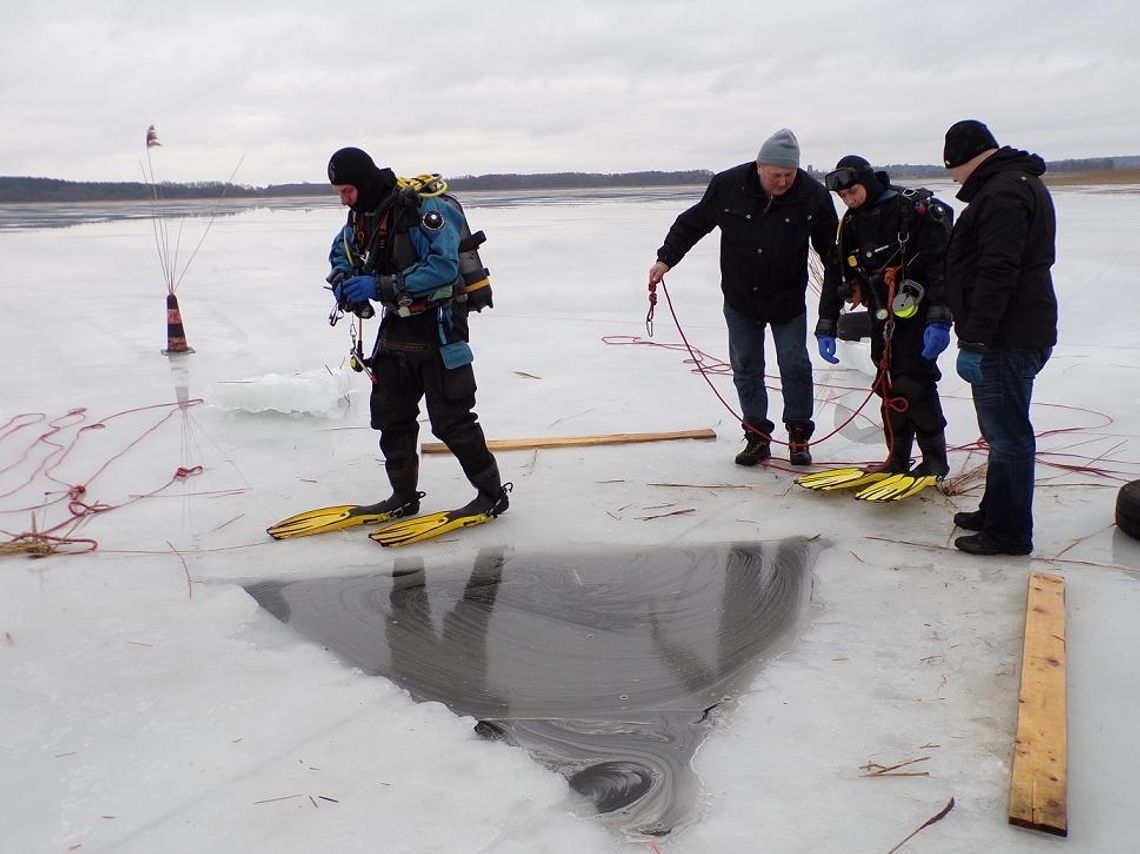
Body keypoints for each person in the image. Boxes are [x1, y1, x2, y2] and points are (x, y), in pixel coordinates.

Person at [326, 146, 508, 536]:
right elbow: (340, 254)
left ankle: (491, 495)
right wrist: (343, 284)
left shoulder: (423, 210)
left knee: (452, 419)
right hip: (397, 326)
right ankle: (403, 496)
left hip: (440, 323)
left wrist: (378, 284)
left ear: (365, 181)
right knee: (391, 413)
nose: (344, 200)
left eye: (347, 191)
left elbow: (443, 267)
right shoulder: (361, 218)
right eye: (339, 192)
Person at [648, 129, 838, 466]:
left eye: (790, 175)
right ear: (760, 166)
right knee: (746, 366)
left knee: (794, 364)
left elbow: (830, 249)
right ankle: (757, 437)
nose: (783, 182)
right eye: (777, 175)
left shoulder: (812, 195)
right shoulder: (728, 185)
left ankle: (798, 436)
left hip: (787, 297)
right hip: (740, 297)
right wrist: (666, 259)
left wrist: (849, 285)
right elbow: (692, 224)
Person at [941, 120, 1058, 556]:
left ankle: (1008, 533)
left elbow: (997, 272)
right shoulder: (1013, 183)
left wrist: (976, 340)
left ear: (962, 158)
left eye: (952, 169)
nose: (953, 179)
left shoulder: (1004, 193)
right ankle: (995, 511)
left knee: (1009, 436)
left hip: (1007, 336)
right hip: (1014, 331)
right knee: (1002, 432)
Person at [812, 155, 955, 495]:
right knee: (887, 382)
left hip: (917, 310)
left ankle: (936, 459)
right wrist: (827, 323)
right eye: (843, 197)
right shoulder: (851, 223)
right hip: (881, 311)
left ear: (869, 181)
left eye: (854, 192)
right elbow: (836, 272)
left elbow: (941, 267)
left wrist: (940, 316)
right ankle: (898, 456)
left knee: (914, 382)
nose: (849, 200)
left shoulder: (913, 209)